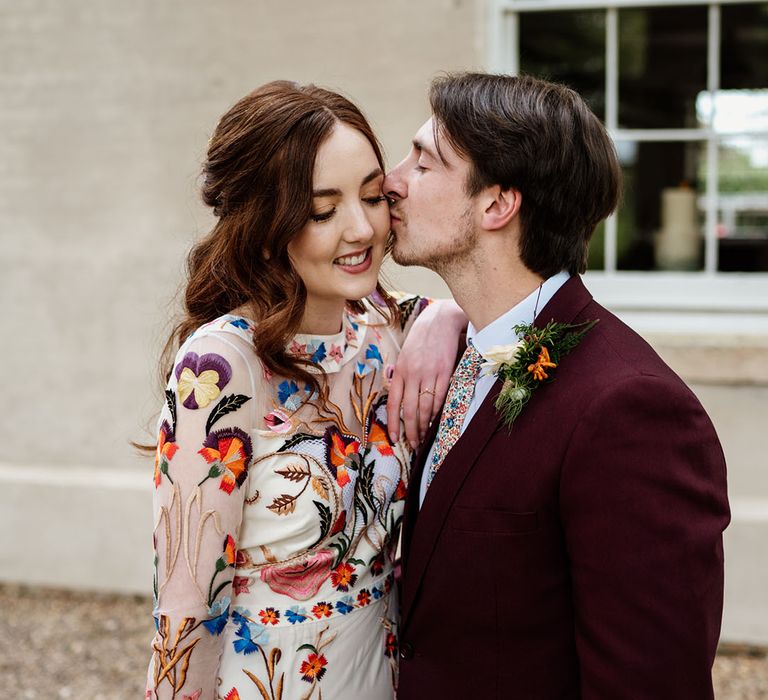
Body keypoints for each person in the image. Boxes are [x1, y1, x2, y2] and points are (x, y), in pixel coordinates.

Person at [384, 73, 730, 699]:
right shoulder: (464, 349)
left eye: (425, 163)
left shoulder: (630, 409)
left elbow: (651, 684)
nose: (391, 180)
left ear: (496, 205)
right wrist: (439, 316)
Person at [145, 80, 465, 700]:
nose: (362, 229)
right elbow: (186, 605)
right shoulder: (219, 366)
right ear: (268, 226)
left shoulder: (389, 331)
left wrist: (443, 317)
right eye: (323, 212)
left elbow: (501, 318)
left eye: (373, 197)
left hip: (385, 676)